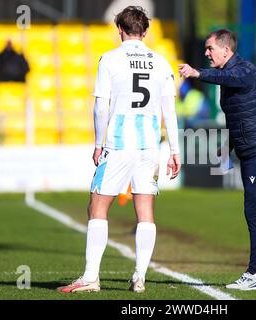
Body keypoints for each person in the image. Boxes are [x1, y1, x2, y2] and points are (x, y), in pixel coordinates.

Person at [57, 6, 181, 293]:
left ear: (120, 30)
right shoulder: (162, 62)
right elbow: (169, 111)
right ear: (146, 31)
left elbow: (101, 106)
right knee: (145, 210)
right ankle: (139, 277)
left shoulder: (110, 59)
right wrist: (175, 150)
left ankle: (90, 277)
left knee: (98, 205)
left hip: (119, 142)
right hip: (149, 143)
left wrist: (99, 143)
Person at [179, 29, 256, 290]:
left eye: (210, 49)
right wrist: (227, 147)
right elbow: (238, 117)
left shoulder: (244, 70)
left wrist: (197, 73)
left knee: (253, 209)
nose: (206, 53)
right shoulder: (230, 75)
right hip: (250, 149)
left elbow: (228, 76)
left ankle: (254, 274)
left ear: (226, 51)